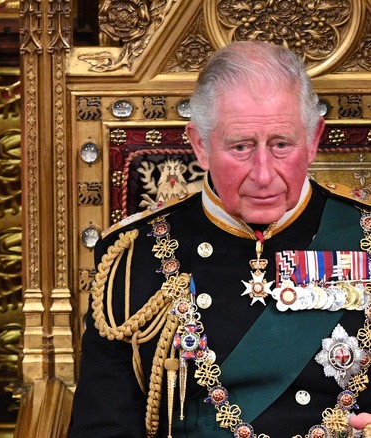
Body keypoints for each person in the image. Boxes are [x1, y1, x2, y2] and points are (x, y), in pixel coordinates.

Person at [69, 41, 371, 437]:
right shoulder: (133, 257)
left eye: (281, 145)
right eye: (241, 147)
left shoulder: (360, 237)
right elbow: (102, 427)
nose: (263, 174)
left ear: (313, 140)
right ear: (201, 145)